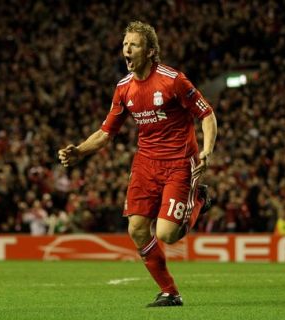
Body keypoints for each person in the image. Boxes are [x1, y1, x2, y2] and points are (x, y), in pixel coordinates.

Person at [58, 21, 217, 307]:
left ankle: (199, 198)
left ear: (151, 51)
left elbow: (207, 114)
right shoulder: (123, 89)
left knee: (167, 234)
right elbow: (106, 132)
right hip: (145, 163)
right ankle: (170, 292)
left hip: (179, 162)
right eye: (124, 45)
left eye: (133, 45)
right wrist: (79, 151)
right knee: (137, 229)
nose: (126, 50)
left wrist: (207, 150)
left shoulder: (173, 80)